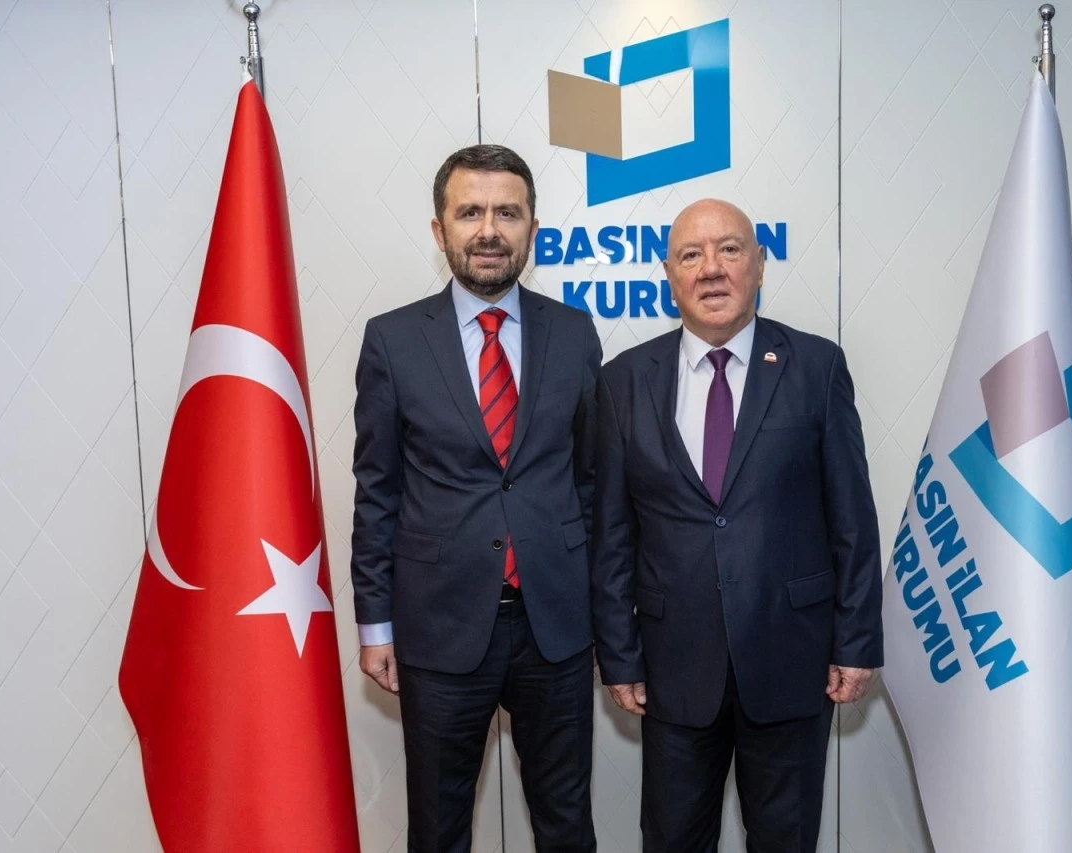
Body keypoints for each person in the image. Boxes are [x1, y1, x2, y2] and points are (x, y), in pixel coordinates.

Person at [591, 198, 883, 852]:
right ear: (670, 276)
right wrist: (618, 652)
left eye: (729, 249)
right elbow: (611, 535)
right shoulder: (624, 382)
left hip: (793, 658)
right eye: (691, 255)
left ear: (759, 264)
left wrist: (858, 638)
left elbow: (852, 518)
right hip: (673, 669)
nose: (711, 269)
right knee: (672, 840)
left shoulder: (816, 367)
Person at [350, 144, 601, 853]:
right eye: (470, 212)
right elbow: (377, 491)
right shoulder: (392, 340)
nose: (489, 230)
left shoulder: (574, 333)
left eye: (507, 213)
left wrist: (603, 613)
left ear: (532, 229)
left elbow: (592, 481)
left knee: (566, 825)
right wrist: (375, 625)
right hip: (438, 625)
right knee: (438, 829)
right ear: (440, 230)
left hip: (555, 625)